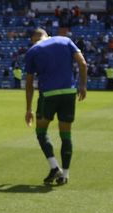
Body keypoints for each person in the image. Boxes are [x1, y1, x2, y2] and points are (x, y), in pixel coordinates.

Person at [24, 27, 88, 186]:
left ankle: (54, 167)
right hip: (69, 93)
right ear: (46, 34)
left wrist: (29, 109)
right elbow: (83, 64)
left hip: (48, 94)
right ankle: (64, 175)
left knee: (41, 131)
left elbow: (29, 84)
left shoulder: (33, 51)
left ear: (33, 38)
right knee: (66, 134)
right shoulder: (65, 40)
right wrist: (83, 85)